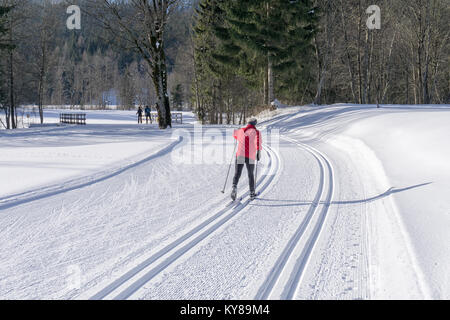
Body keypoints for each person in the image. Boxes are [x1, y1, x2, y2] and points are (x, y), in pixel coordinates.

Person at [231, 117, 262, 201]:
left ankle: (234, 187)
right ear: (255, 124)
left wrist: (237, 130)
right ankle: (252, 193)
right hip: (250, 156)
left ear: (248, 123)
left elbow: (235, 135)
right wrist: (259, 152)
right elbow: (258, 143)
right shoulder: (257, 132)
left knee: (237, 173)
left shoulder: (241, 130)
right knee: (250, 174)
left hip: (240, 155)